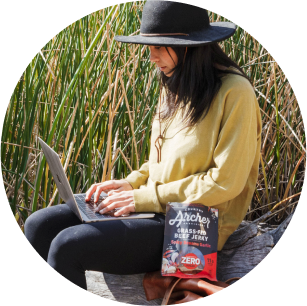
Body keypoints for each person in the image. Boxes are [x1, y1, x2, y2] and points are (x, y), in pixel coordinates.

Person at [24, 0, 262, 291]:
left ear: (190, 46)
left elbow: (225, 182)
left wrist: (141, 198)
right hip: (153, 207)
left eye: (159, 47)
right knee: (38, 224)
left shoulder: (236, 92)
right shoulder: (175, 82)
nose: (152, 57)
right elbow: (161, 163)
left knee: (67, 245)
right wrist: (128, 184)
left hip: (193, 225)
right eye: (150, 47)